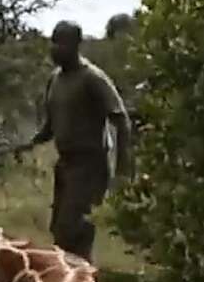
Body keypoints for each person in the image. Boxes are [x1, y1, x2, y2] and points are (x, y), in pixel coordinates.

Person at [21, 20, 132, 262]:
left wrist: (123, 167)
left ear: (76, 45)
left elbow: (120, 119)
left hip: (90, 165)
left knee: (73, 229)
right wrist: (29, 142)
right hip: (66, 164)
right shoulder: (55, 79)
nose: (54, 48)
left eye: (61, 43)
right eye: (53, 41)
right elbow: (51, 126)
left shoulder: (92, 78)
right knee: (60, 233)